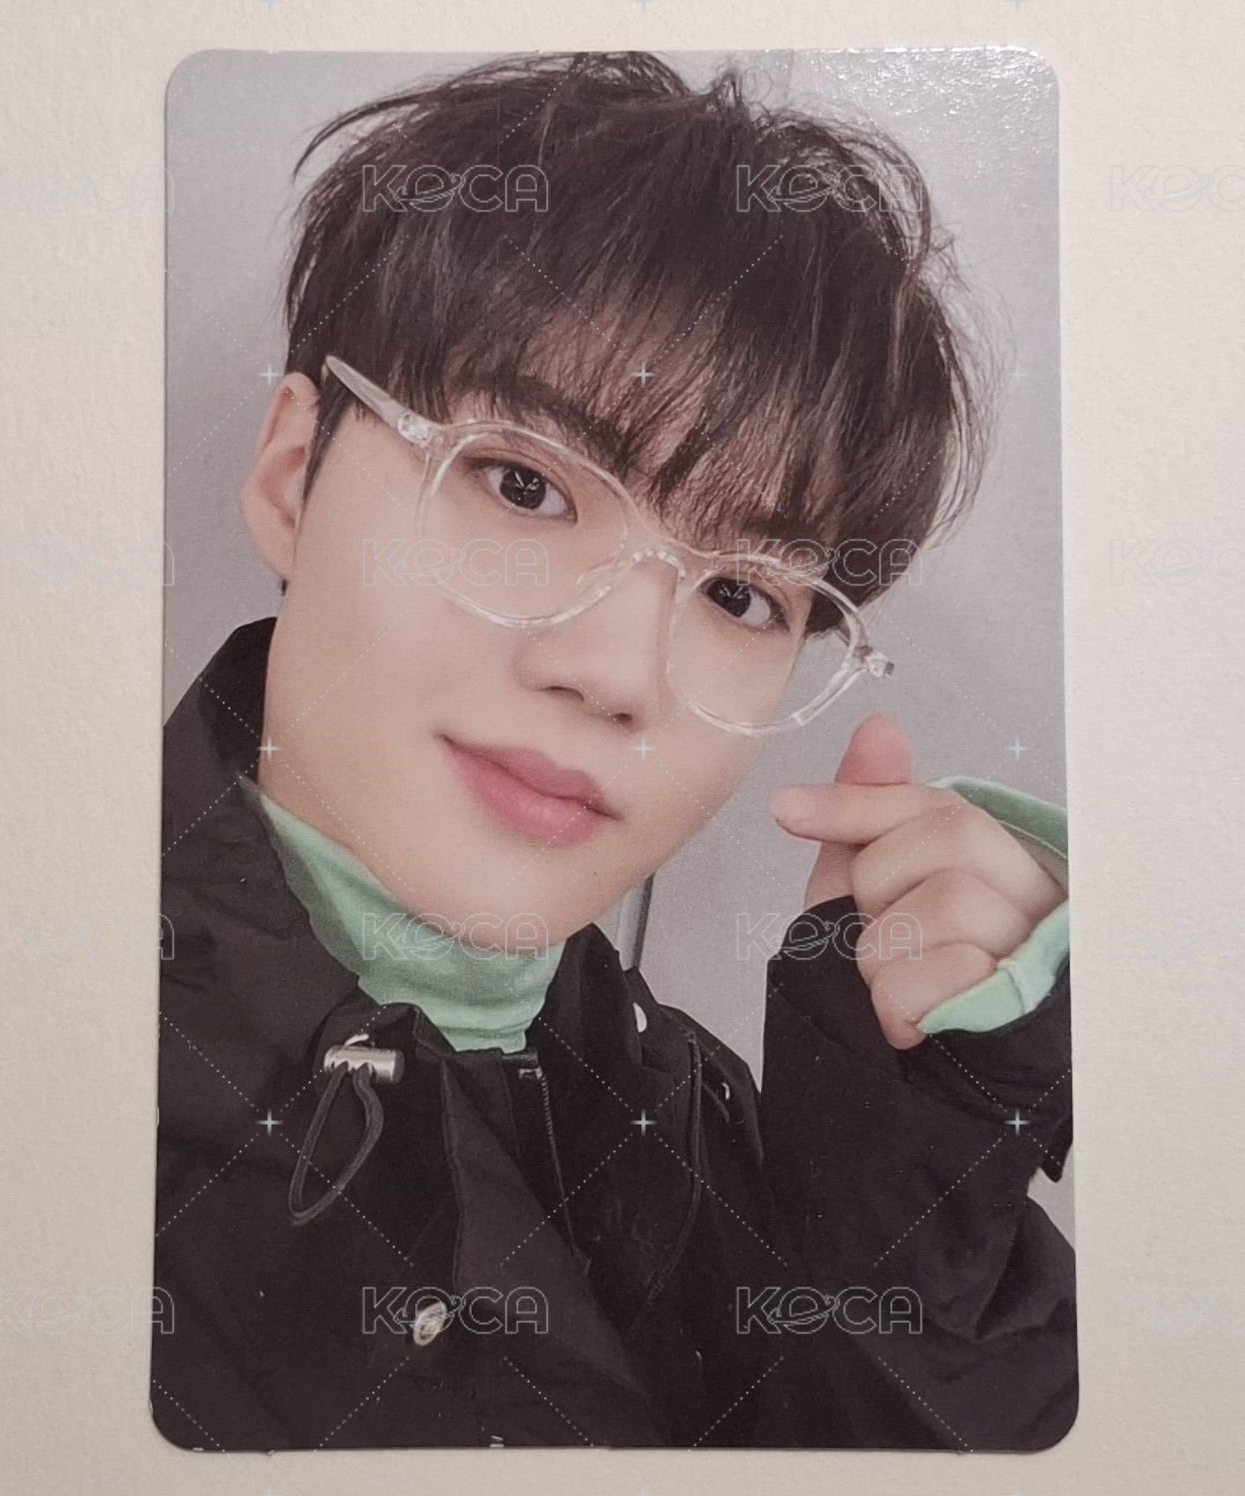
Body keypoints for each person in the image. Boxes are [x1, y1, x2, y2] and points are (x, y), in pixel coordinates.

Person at [151, 50, 1075, 1452]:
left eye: (740, 594)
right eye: (523, 485)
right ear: (294, 480)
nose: (619, 674)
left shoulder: (688, 1107)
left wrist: (907, 1193)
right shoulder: (5, 1064)